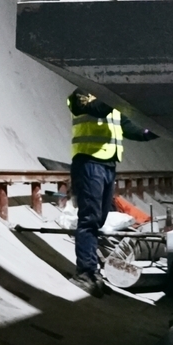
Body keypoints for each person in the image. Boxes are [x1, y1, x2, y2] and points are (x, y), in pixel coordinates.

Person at [66, 88, 156, 294]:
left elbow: (132, 130)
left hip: (107, 165)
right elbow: (97, 109)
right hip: (89, 162)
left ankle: (93, 271)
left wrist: (155, 130)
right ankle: (85, 272)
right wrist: (120, 94)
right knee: (89, 219)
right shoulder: (81, 94)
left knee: (99, 219)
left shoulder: (113, 103)